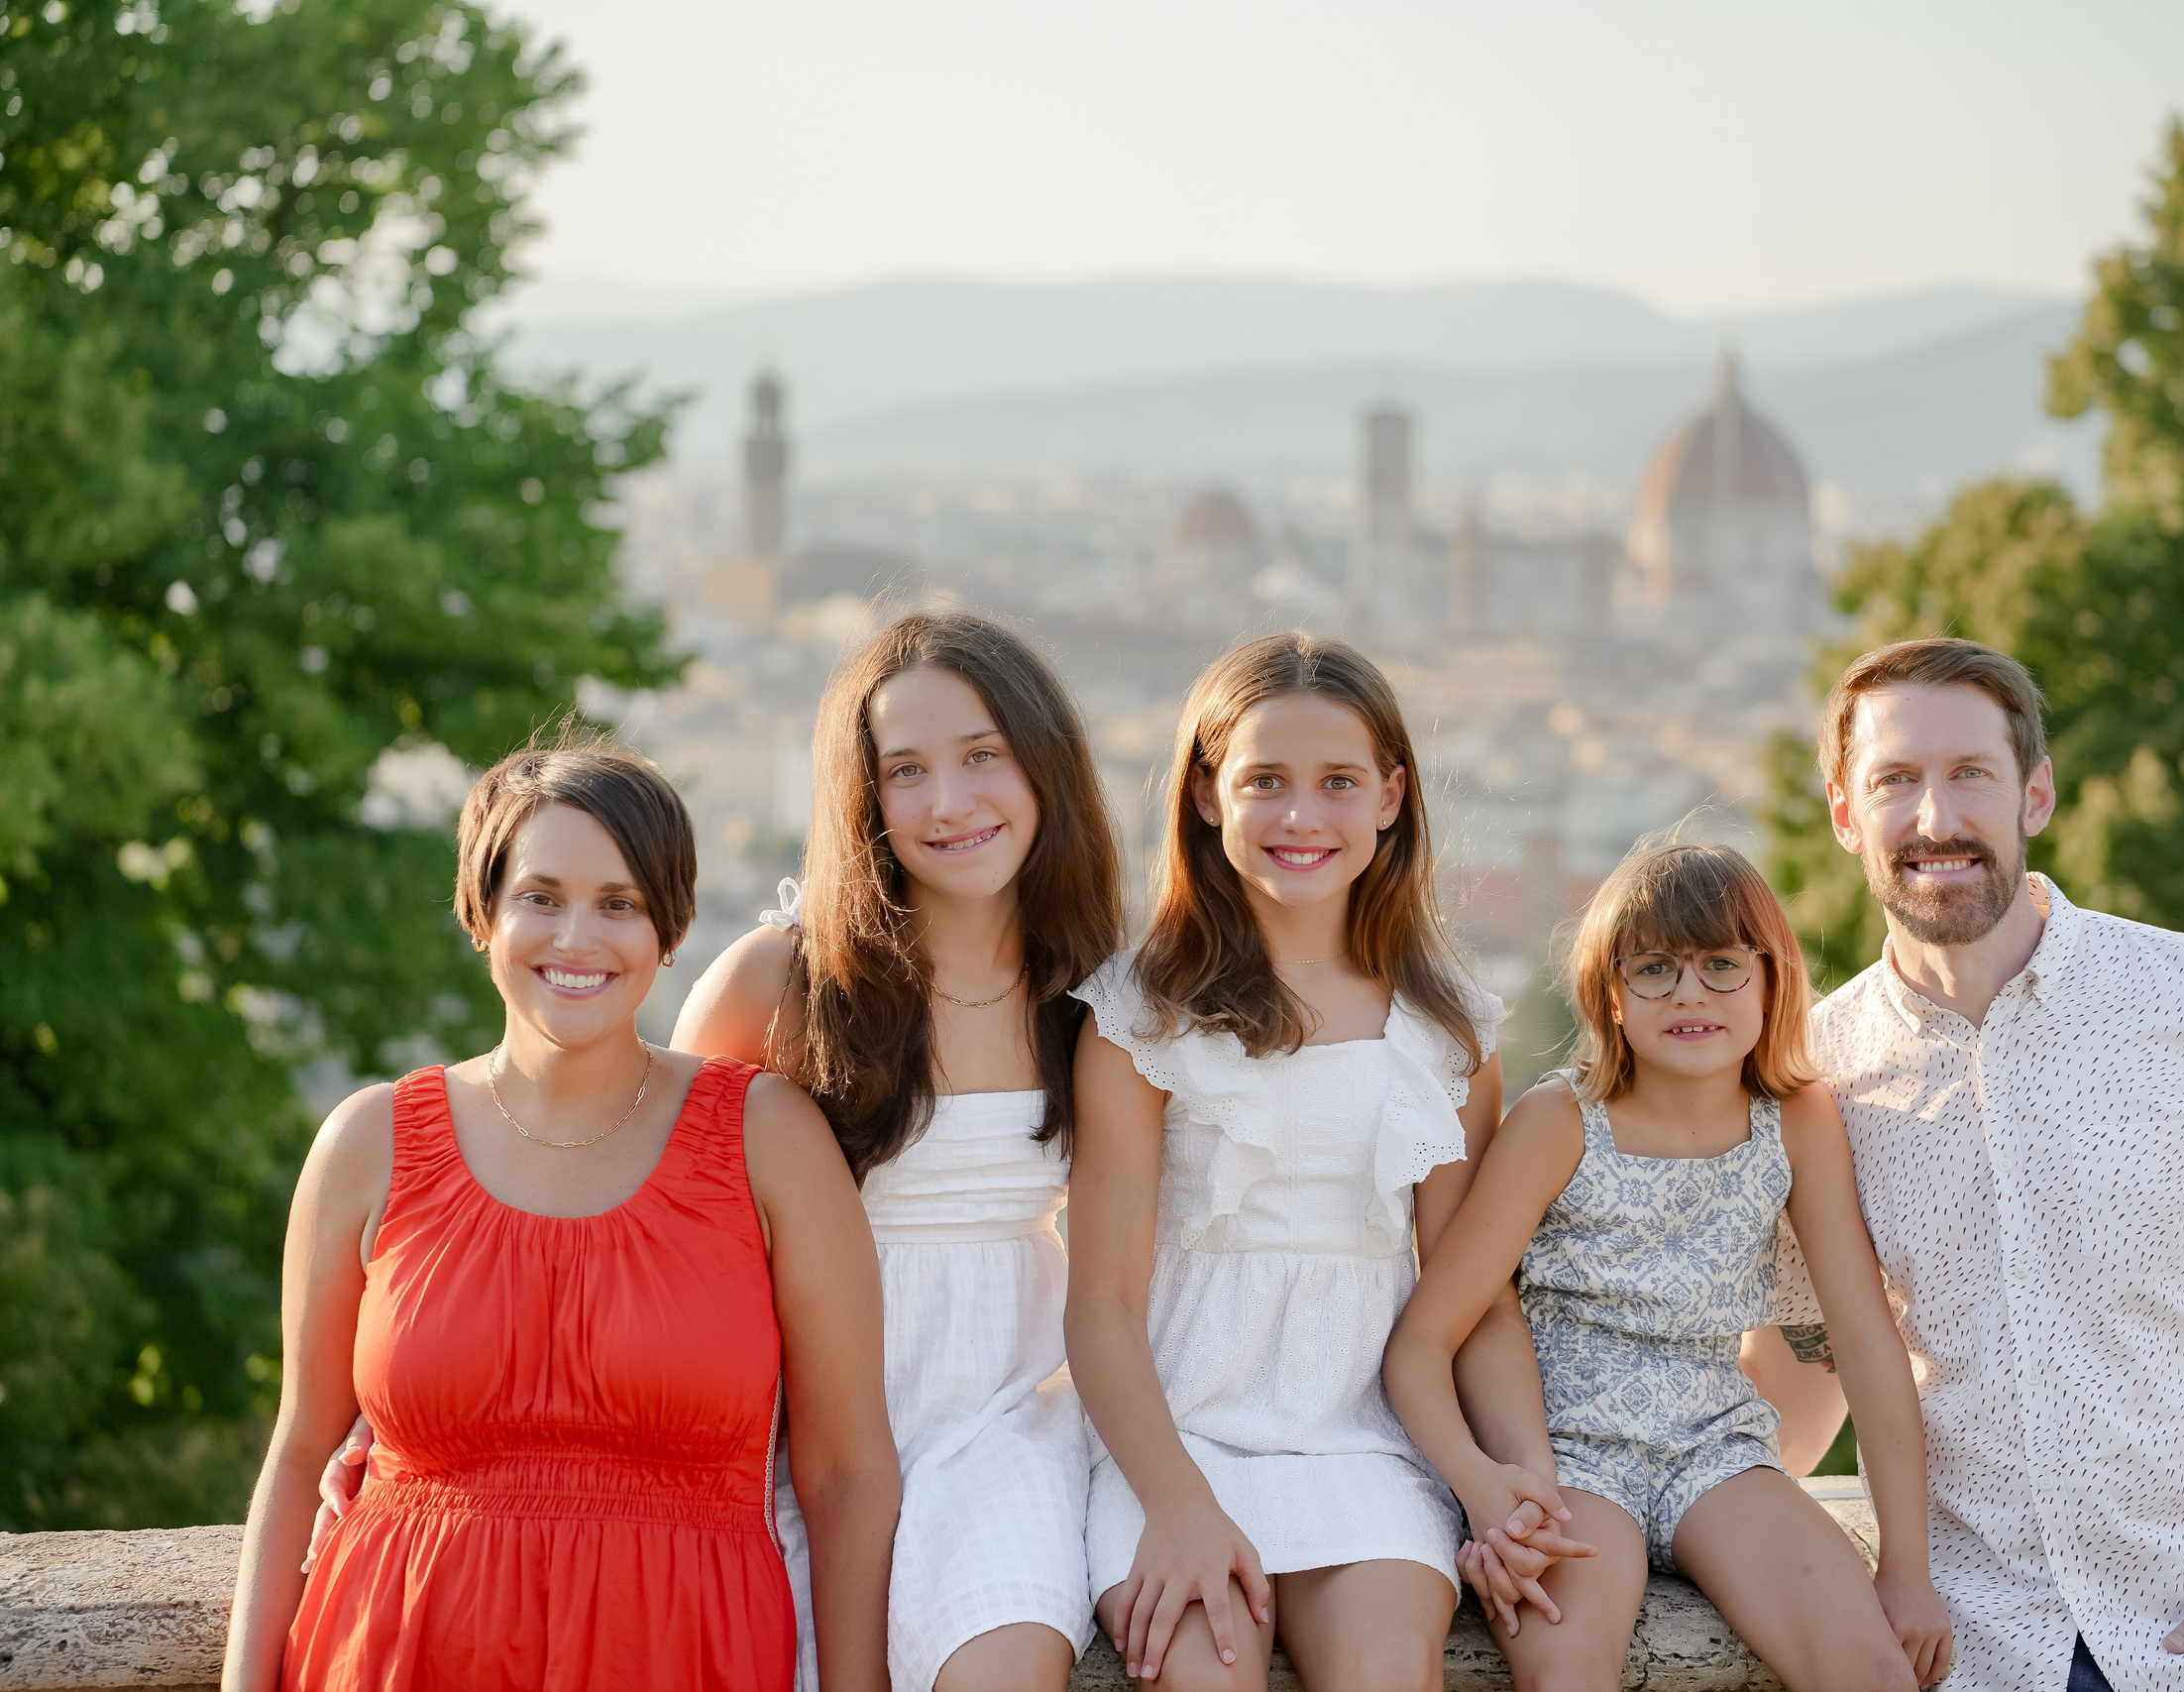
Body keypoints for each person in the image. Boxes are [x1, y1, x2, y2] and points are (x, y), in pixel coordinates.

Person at [1764, 636, 2184, 1692]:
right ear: (1843, 814)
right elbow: (1804, 1371)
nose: (1935, 820)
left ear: (2036, 796)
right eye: (1895, 782)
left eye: (1971, 775)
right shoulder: (1813, 1080)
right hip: (1972, 1657)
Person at [224, 736, 898, 1692]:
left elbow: (847, 1476)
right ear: (481, 915)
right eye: (540, 897)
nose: (576, 938)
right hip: (391, 1653)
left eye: (619, 904)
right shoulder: (366, 1143)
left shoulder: (766, 1138)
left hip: (680, 1657)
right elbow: (297, 1455)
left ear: (670, 930)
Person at [1063, 632, 1556, 1692]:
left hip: (1362, 1445)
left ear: (1390, 796)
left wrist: (1517, 1481)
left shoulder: (1447, 1033)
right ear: (1205, 795)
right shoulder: (1138, 1020)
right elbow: (1100, 1303)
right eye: (1264, 782)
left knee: (1388, 1667)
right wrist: (1179, 1503)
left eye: (1337, 783)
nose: (1300, 816)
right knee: (1205, 1672)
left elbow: (1475, 1304)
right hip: (1171, 1447)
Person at [1384, 839, 1951, 1692]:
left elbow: (1866, 1341)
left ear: (1772, 982)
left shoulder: (1797, 1121)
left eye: (1723, 964)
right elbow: (1426, 1338)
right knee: (1567, 1673)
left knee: (1872, 1670)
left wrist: (1907, 1565)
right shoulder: (1559, 1122)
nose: (1689, 991)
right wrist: (1488, 1486)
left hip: (1718, 1447)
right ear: (1612, 994)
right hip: (1569, 1456)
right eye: (1655, 968)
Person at [680, 610, 1122, 1692]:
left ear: (1046, 767)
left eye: (983, 757)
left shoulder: (1103, 998)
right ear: (863, 799)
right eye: (906, 771)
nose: (950, 802)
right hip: (789, 1430)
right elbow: (650, 1213)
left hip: (1002, 1423)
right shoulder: (777, 983)